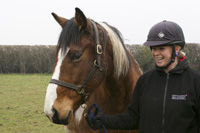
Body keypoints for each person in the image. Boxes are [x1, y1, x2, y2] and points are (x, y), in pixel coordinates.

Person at [86, 20, 200, 133]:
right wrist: (103, 120)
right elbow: (133, 119)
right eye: (154, 48)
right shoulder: (145, 81)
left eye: (161, 48)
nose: (156, 53)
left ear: (176, 49)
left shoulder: (195, 81)